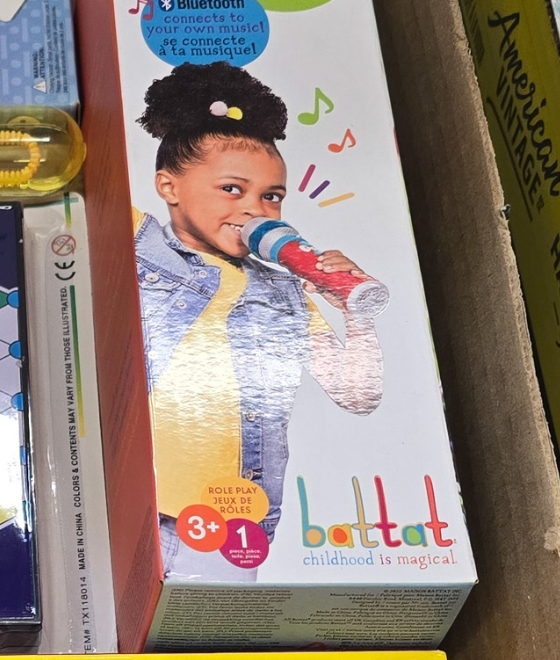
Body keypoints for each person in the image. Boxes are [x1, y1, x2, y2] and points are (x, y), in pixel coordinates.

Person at [135, 59, 384, 580]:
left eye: (271, 197)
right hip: (126, 499)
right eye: (232, 189)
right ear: (169, 186)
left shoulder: (284, 291)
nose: (255, 210)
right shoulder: (138, 242)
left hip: (222, 527)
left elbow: (357, 394)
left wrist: (354, 312)